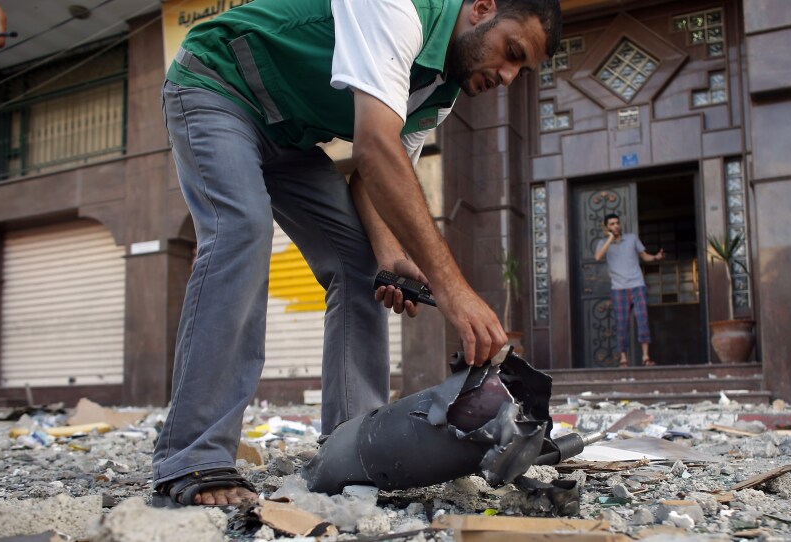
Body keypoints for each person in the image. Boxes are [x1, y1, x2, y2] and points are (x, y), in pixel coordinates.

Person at [152, 0, 562, 506]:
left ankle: (350, 449)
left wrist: (390, 256)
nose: (507, 75)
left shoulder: (438, 91)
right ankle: (193, 457)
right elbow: (374, 148)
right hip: (216, 86)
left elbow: (374, 179)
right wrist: (454, 291)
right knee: (241, 230)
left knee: (362, 265)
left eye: (521, 69)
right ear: (481, 9)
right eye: (511, 53)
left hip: (288, 136)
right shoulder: (399, 9)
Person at [594, 213, 664, 368]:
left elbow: (644, 256)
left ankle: (646, 357)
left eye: (617, 223)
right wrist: (610, 238)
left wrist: (656, 257)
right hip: (618, 288)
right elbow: (598, 256)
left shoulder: (632, 238)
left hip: (637, 285)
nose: (616, 226)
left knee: (642, 320)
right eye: (611, 224)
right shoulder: (603, 243)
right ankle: (623, 359)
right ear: (607, 227)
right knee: (621, 324)